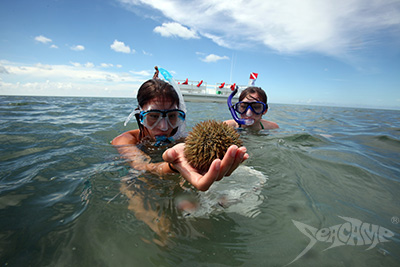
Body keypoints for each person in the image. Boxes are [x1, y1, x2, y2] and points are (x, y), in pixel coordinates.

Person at [112, 69, 249, 192]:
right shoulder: (125, 141)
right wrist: (173, 167)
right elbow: (141, 166)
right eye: (153, 116)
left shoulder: (184, 140)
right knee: (131, 184)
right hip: (141, 180)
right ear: (140, 116)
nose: (164, 127)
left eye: (172, 116)